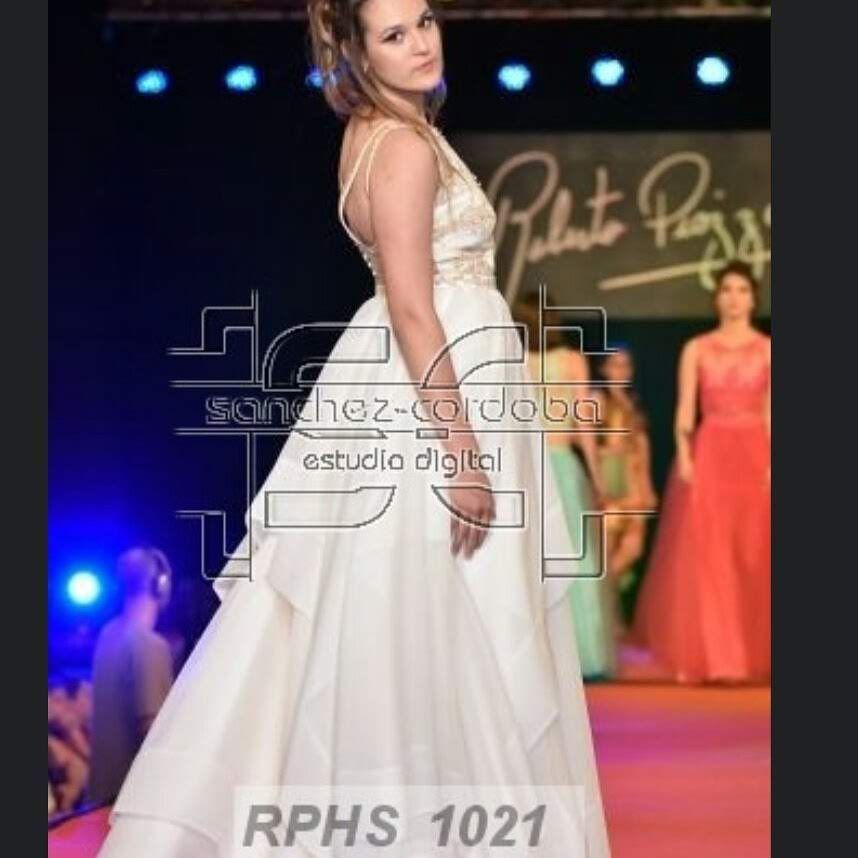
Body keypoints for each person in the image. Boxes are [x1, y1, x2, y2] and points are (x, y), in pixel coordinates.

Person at [98, 3, 611, 856]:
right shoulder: (403, 146)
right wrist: (462, 452)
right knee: (454, 629)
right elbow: (411, 304)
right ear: (358, 53)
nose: (421, 43)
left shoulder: (377, 133)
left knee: (414, 627)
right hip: (437, 399)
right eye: (394, 35)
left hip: (415, 385)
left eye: (425, 21)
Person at [632, 260, 771, 683]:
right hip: (710, 452)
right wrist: (685, 457)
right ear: (716, 297)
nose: (734, 298)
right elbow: (685, 409)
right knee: (710, 557)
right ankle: (719, 659)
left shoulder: (767, 349)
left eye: (742, 290)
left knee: (755, 555)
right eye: (726, 289)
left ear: (754, 298)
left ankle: (751, 655)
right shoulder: (697, 348)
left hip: (754, 454)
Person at [513, 291, 619, 681]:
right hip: (560, 465)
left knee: (532, 559)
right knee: (574, 557)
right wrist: (597, 477)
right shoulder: (572, 361)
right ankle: (581, 652)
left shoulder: (513, 359)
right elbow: (584, 426)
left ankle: (538, 656)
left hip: (528, 469)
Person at [88, 547, 175, 805]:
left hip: (103, 798)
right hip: (133, 801)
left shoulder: (108, 634)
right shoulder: (150, 645)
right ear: (160, 585)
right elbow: (154, 733)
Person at [593, 346, 657, 611]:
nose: (621, 371)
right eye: (615, 365)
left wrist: (647, 484)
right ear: (605, 369)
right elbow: (583, 438)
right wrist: (606, 452)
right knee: (607, 545)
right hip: (610, 474)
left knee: (633, 547)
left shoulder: (633, 402)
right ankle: (603, 606)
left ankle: (607, 599)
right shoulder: (598, 399)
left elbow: (642, 443)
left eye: (625, 365)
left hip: (634, 480)